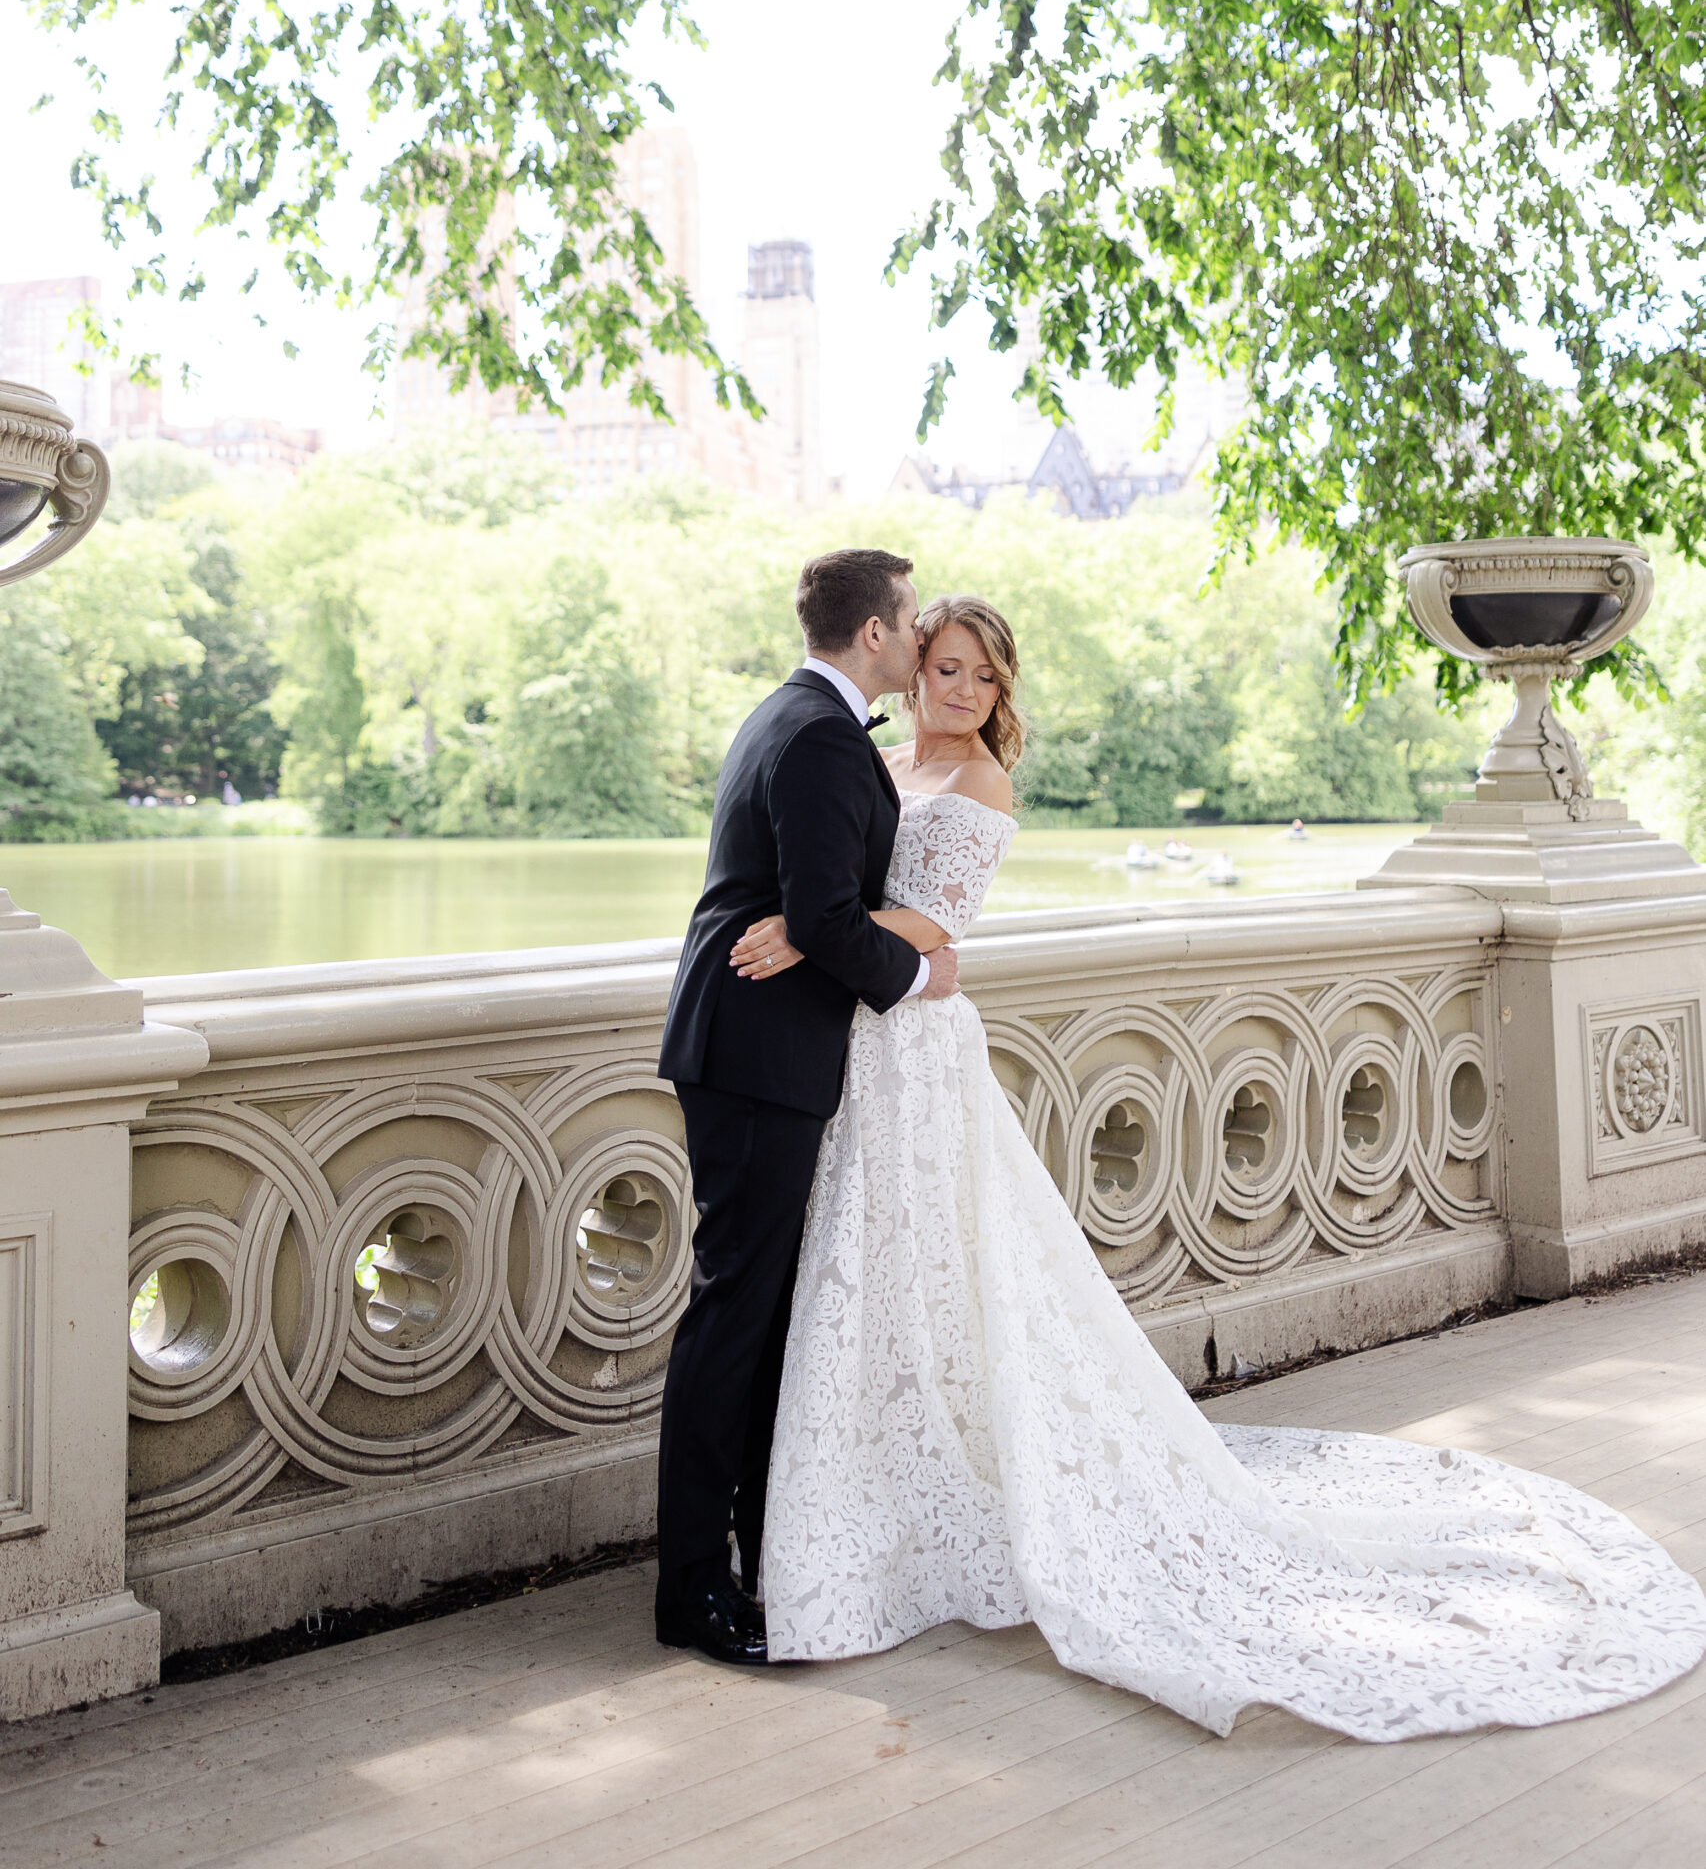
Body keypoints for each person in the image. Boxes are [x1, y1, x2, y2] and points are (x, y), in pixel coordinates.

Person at [729, 594, 1706, 1742]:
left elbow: (938, 922)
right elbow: (842, 882)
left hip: (917, 1040)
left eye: (983, 678)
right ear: (911, 667)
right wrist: (819, 921)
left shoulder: (982, 782)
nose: (962, 691)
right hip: (860, 1035)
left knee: (939, 1250)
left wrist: (806, 930)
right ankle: (882, 1477)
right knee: (880, 1260)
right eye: (946, 668)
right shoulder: (878, 760)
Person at [653, 547, 962, 1667]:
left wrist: (812, 920)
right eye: (910, 620)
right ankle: (692, 1589)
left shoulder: (791, 716)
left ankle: (751, 1558)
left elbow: (812, 906)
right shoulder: (823, 736)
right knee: (731, 1319)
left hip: (752, 1050)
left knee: (759, 1316)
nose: (919, 637)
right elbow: (828, 918)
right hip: (755, 1056)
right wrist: (921, 974)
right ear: (873, 633)